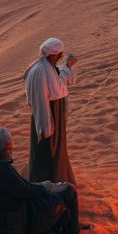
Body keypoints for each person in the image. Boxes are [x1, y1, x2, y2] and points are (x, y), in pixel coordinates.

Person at [0, 126, 95, 234]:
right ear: (2, 150)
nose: (11, 150)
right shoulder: (0, 170)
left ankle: (67, 223)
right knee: (69, 191)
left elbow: (18, 188)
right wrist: (46, 186)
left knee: (53, 192)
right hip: (10, 222)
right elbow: (25, 191)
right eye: (9, 148)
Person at [24, 37, 78, 183]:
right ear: (53, 55)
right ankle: (48, 181)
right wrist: (46, 125)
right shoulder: (40, 71)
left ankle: (59, 177)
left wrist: (68, 65)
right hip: (48, 116)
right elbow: (41, 99)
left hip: (55, 114)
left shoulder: (49, 67)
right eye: (59, 54)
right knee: (48, 149)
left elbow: (59, 78)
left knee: (57, 148)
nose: (60, 56)